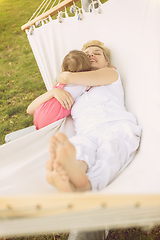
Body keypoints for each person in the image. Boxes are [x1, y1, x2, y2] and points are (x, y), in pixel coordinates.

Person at [45, 40, 142, 192]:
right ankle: (73, 171)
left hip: (116, 125)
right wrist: (53, 92)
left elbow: (65, 78)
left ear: (107, 63)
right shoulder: (74, 90)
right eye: (87, 54)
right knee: (79, 146)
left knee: (111, 150)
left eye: (97, 53)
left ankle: (87, 184)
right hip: (87, 131)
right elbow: (32, 109)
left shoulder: (111, 74)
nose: (91, 55)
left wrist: (58, 81)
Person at [27, 50, 91, 129]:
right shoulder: (83, 84)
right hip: (52, 119)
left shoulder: (60, 79)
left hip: (40, 114)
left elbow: (54, 86)